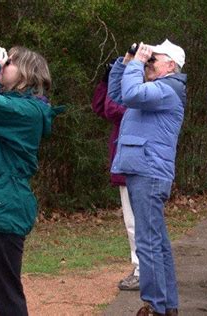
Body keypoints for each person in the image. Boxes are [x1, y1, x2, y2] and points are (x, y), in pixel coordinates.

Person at [0, 45, 64, 315]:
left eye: (10, 62)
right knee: (3, 292)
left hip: (4, 206)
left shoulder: (26, 112)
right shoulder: (9, 109)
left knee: (7, 295)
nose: (3, 64)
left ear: (26, 76)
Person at [108, 39, 186, 316]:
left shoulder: (168, 89)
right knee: (157, 240)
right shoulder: (154, 89)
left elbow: (130, 94)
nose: (150, 62)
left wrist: (139, 63)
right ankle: (166, 305)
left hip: (149, 171)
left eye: (156, 58)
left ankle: (155, 305)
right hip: (144, 168)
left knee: (148, 240)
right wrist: (127, 62)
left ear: (171, 65)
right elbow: (117, 94)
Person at [91, 61, 140, 291]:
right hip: (125, 164)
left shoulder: (140, 97)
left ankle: (142, 269)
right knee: (132, 223)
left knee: (137, 223)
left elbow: (112, 109)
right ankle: (141, 267)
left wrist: (116, 80)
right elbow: (100, 107)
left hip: (136, 167)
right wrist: (106, 80)